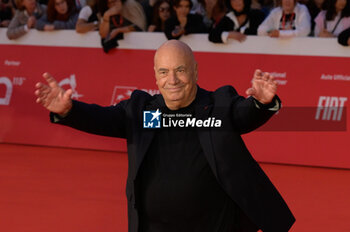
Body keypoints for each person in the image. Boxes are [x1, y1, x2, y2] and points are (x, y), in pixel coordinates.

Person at [35, 40, 295, 232]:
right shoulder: (142, 111)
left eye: (181, 70)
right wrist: (69, 110)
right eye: (164, 71)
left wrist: (261, 103)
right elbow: (101, 118)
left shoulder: (218, 105)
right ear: (155, 77)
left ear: (195, 71)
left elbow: (244, 114)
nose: (173, 79)